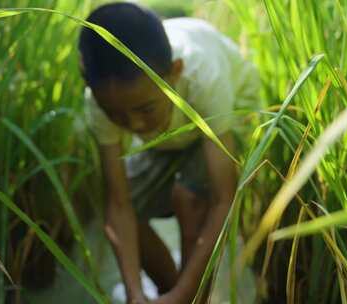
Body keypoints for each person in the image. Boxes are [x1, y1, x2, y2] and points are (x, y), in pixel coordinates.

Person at [78, 2, 260, 303]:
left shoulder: (203, 75)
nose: (134, 125)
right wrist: (135, 295)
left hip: (225, 121)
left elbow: (223, 199)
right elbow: (119, 205)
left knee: (189, 199)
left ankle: (190, 296)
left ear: (175, 73)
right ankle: (168, 291)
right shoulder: (102, 100)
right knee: (130, 204)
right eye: (117, 115)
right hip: (169, 130)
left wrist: (186, 293)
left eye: (144, 109)